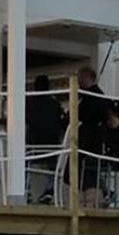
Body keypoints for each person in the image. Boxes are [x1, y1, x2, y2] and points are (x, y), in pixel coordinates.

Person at [75, 65, 113, 208]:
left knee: (85, 169)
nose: (78, 81)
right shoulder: (100, 96)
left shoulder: (90, 97)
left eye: (79, 78)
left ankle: (92, 201)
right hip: (98, 143)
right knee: (87, 170)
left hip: (90, 142)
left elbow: (80, 114)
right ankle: (102, 193)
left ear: (85, 77)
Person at [26, 74, 67, 204]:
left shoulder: (30, 103)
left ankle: (25, 190)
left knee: (19, 160)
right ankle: (49, 189)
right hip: (52, 148)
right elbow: (63, 123)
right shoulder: (55, 104)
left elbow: (25, 121)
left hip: (34, 147)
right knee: (52, 165)